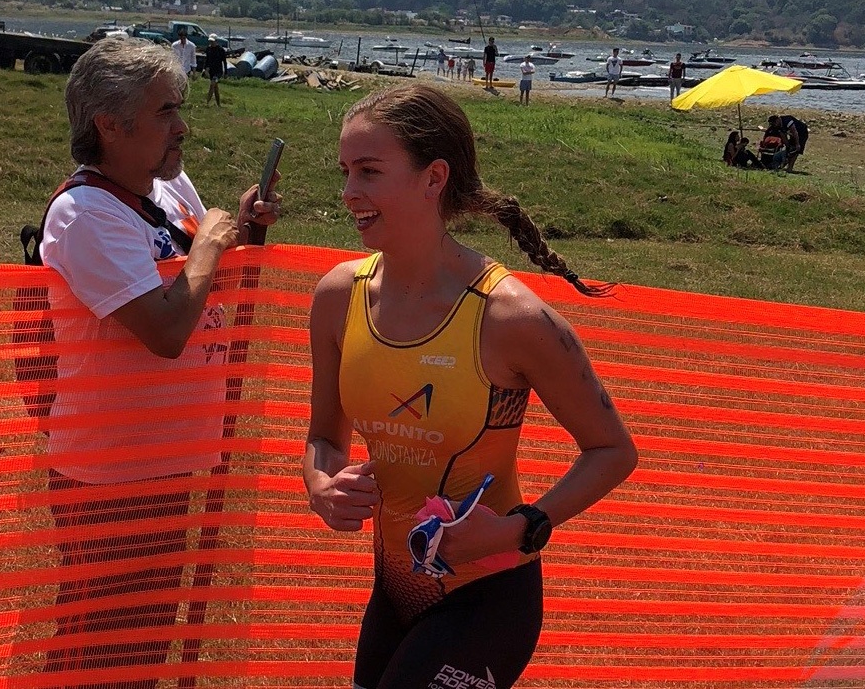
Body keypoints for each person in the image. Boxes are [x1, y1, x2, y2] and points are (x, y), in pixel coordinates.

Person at [306, 84, 637, 689]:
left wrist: (521, 526)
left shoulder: (512, 318)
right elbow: (324, 437)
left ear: (434, 178)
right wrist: (323, 486)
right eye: (346, 171)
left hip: (490, 595)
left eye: (371, 172)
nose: (350, 192)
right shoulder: (337, 297)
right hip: (394, 591)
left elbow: (614, 450)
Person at [37, 37, 280, 686]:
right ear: (109, 126)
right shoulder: (83, 213)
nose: (183, 126)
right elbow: (168, 328)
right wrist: (209, 247)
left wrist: (244, 233)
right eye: (166, 112)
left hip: (168, 457)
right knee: (106, 646)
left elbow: (205, 287)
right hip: (111, 471)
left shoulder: (170, 192)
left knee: (146, 638)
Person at [204, 33, 228, 107]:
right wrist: (205, 69)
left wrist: (226, 72)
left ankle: (207, 103)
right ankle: (218, 104)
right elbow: (207, 60)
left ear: (216, 41)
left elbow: (224, 61)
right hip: (211, 71)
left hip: (218, 72)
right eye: (210, 41)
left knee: (212, 85)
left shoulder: (221, 50)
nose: (211, 43)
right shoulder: (208, 49)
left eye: (213, 41)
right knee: (215, 88)